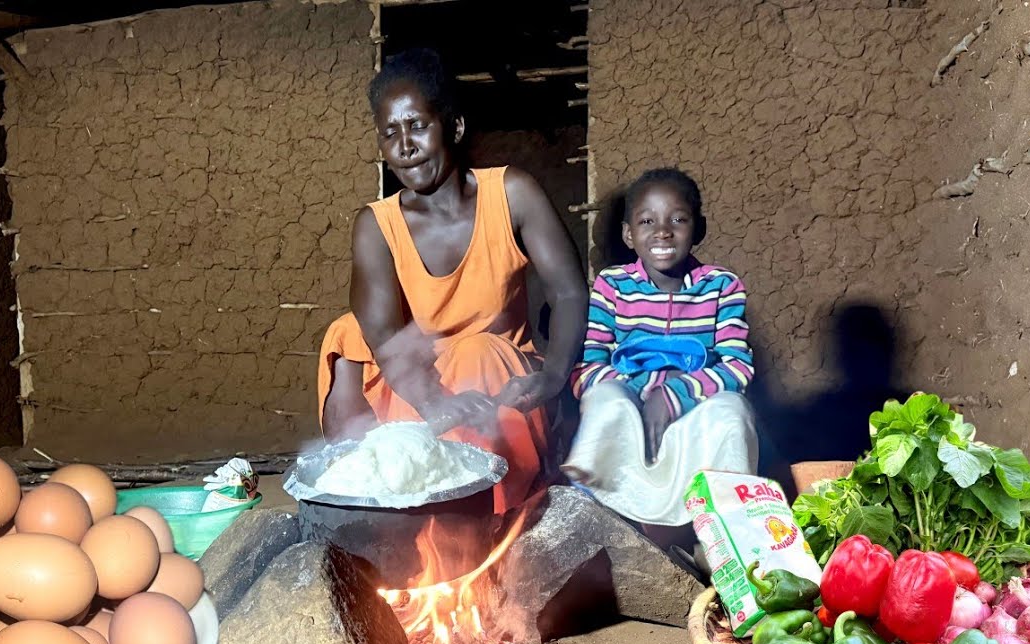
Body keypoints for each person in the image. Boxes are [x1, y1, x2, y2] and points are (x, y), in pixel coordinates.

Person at [317, 48, 588, 514]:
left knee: (477, 350)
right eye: (390, 133)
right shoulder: (376, 225)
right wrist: (433, 401)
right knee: (347, 333)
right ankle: (357, 504)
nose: (405, 145)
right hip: (418, 392)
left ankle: (493, 509)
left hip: (497, 392)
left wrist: (555, 375)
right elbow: (382, 334)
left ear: (454, 127)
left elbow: (569, 290)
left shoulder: (511, 193)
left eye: (417, 125)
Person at [562, 167, 758, 547]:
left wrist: (674, 396)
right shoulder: (613, 286)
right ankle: (587, 518)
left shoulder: (721, 286)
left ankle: (726, 542)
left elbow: (738, 366)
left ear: (698, 229)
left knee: (732, 410)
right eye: (647, 220)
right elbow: (588, 366)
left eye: (678, 220)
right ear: (628, 233)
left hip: (693, 418)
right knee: (603, 399)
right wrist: (635, 395)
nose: (663, 231)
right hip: (629, 423)